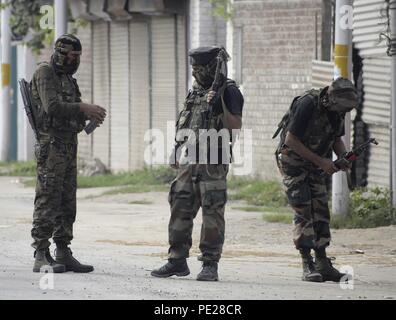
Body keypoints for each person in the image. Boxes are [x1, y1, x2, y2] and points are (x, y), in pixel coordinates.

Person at [151, 46, 244, 281]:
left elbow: (234, 126)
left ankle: (209, 264)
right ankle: (177, 261)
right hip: (189, 159)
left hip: (214, 160)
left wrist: (219, 103)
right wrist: (176, 149)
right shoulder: (195, 91)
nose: (194, 73)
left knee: (212, 212)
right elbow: (188, 120)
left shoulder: (229, 91)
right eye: (193, 68)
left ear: (212, 68)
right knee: (179, 207)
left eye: (199, 69)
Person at [31, 34, 107, 273]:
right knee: (48, 197)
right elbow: (51, 107)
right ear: (61, 53)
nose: (76, 61)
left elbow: (71, 108)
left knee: (67, 200)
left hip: (68, 144)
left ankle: (63, 251)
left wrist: (89, 115)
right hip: (51, 146)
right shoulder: (46, 73)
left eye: (78, 57)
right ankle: (41, 253)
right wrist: (84, 108)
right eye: (73, 56)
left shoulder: (66, 77)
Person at [274, 77, 358, 282]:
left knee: (320, 210)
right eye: (341, 109)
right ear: (330, 98)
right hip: (293, 163)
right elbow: (290, 140)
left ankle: (322, 262)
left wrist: (344, 157)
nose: (343, 113)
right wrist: (321, 162)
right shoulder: (307, 103)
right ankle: (307, 263)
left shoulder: (338, 109)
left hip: (315, 165)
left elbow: (337, 138)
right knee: (304, 210)